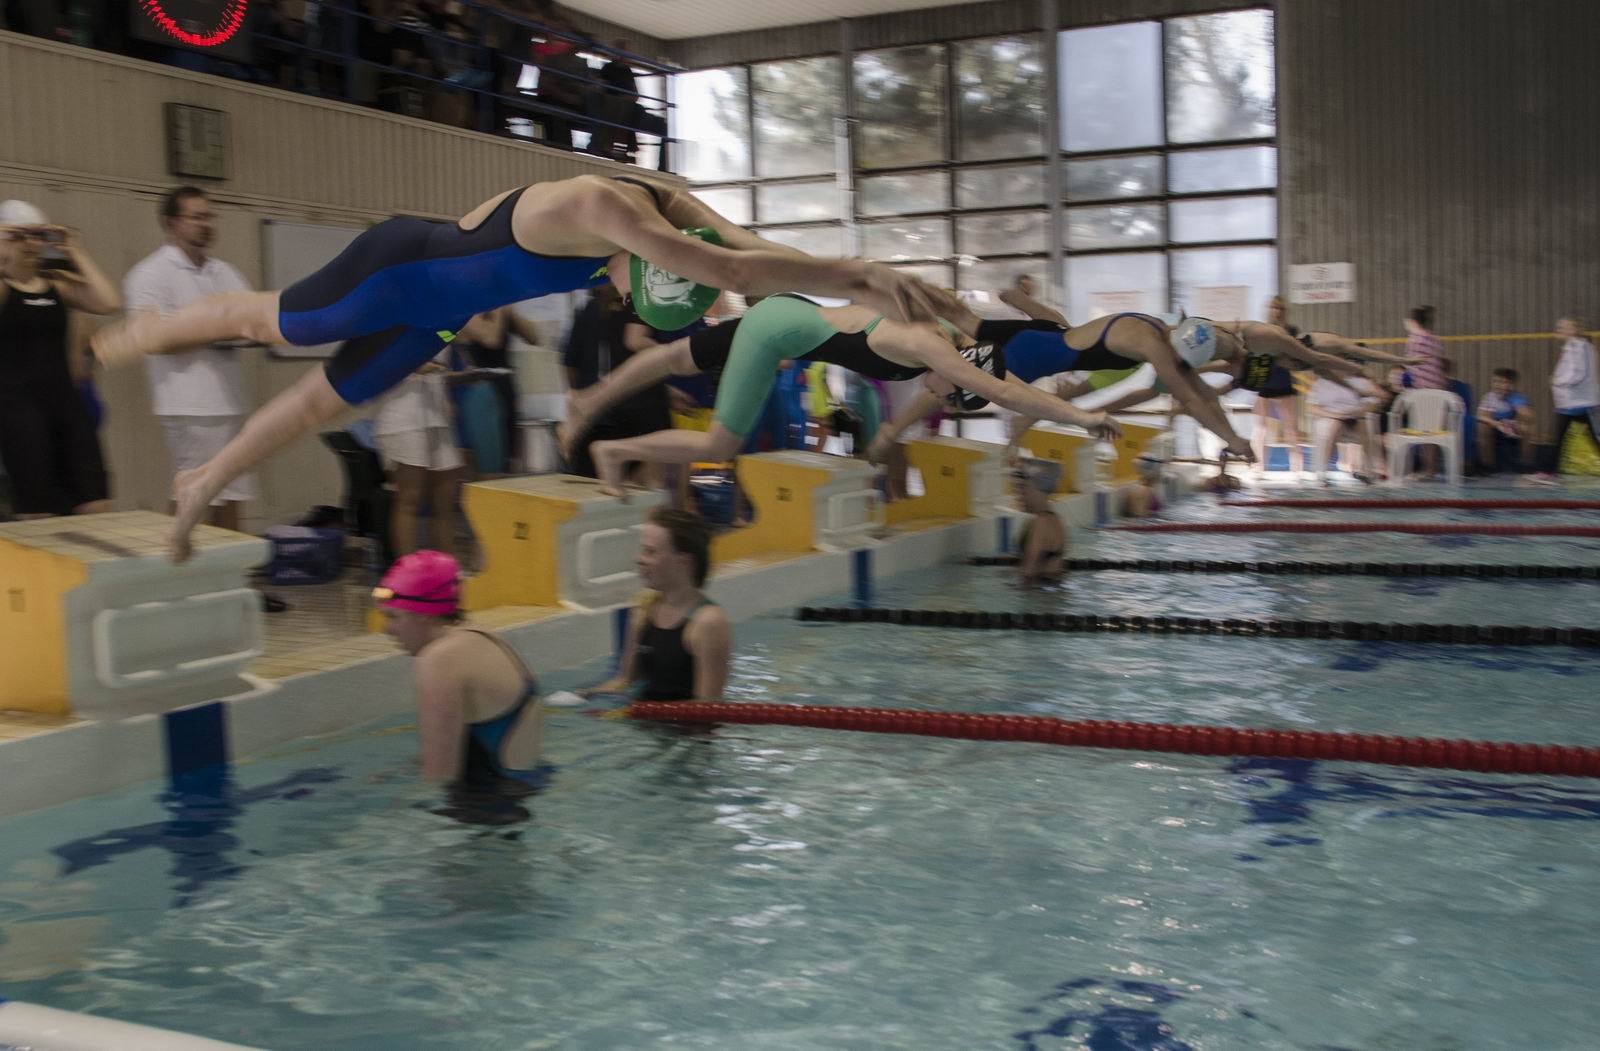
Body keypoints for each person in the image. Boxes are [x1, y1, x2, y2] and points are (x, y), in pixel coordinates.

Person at [89, 173, 948, 561]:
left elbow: (747, 259)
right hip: (397, 267)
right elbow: (729, 270)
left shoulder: (673, 213)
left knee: (325, 401)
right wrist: (858, 274)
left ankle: (204, 479)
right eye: (635, 296)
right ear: (652, 265)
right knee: (271, 319)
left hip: (437, 314)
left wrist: (872, 288)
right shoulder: (599, 206)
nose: (620, 301)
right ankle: (156, 326)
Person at [565, 294, 1124, 495]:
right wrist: (1084, 418)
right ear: (958, 377)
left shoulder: (948, 343)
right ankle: (614, 451)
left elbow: (1006, 383)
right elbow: (1004, 392)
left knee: (674, 358)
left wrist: (1082, 416)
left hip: (787, 312)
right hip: (776, 332)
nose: (939, 399)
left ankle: (590, 402)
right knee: (719, 443)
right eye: (951, 397)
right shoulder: (932, 349)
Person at [866, 307, 1250, 467]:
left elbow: (1199, 392)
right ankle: (890, 432)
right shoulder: (1151, 344)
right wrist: (1231, 439)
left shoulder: (1158, 329)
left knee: (956, 361)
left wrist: (1234, 438)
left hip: (1040, 337)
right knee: (951, 383)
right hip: (1034, 354)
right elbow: (1189, 398)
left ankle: (906, 324)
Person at [124, 187, 262, 535]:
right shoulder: (151, 274)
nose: (207, 224)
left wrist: (207, 328)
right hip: (190, 404)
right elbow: (152, 338)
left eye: (210, 216)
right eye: (197, 217)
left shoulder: (223, 272)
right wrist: (218, 327)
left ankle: (232, 567)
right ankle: (175, 564)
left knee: (232, 495)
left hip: (230, 400)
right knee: (194, 496)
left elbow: (255, 321)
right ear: (172, 222)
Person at [377, 549, 547, 793]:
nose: (387, 629)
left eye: (393, 616)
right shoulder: (483, 636)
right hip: (529, 787)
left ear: (423, 614)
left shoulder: (438, 660)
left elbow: (438, 779)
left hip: (490, 805)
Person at [0, 200, 121, 517]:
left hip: (66, 403)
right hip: (18, 410)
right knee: (38, 511)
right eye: (20, 235)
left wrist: (75, 250)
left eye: (38, 235)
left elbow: (109, 302)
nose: (31, 243)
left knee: (95, 502)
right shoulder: (4, 289)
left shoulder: (58, 286)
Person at [579, 508, 730, 703]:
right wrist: (582, 697)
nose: (639, 559)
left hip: (682, 722)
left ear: (683, 561)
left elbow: (708, 707)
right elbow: (624, 681)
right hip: (641, 717)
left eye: (650, 552)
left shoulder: (708, 623)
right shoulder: (644, 608)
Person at [369, 355, 465, 557]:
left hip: (437, 416)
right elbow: (378, 360)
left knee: (445, 499)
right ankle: (409, 571)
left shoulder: (443, 334)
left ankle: (446, 568)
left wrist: (456, 371)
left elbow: (447, 344)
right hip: (401, 418)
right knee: (410, 499)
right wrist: (413, 363)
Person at [1541, 316, 1600, 478]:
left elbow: (1579, 374)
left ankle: (1548, 471)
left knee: (1595, 438)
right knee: (1558, 437)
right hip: (1569, 404)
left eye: (1562, 327)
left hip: (1583, 403)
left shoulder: (1580, 347)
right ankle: (1549, 471)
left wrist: (1557, 381)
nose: (1558, 331)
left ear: (1573, 330)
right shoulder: (1571, 348)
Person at [1306, 372, 1383, 486]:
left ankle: (1369, 471)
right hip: (1331, 416)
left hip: (1356, 415)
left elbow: (1373, 404)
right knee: (1334, 426)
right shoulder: (1322, 382)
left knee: (1364, 427)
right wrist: (1333, 415)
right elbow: (1311, 406)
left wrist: (1357, 412)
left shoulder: (1361, 381)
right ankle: (1322, 473)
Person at [1014, 459, 1066, 586]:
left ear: (1036, 491)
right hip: (1052, 589)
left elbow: (1028, 574)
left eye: (1023, 488)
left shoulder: (1039, 524)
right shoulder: (1056, 520)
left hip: (1039, 593)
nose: (1019, 495)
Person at [1476, 368, 1534, 474]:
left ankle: (1526, 464)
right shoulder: (1489, 397)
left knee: (1527, 428)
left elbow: (1529, 417)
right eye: (1496, 381)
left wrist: (1517, 406)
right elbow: (1480, 416)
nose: (1499, 385)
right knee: (1482, 426)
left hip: (1512, 426)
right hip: (1495, 425)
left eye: (1504, 382)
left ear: (1512, 385)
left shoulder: (1517, 397)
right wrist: (1496, 424)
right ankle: (1487, 465)